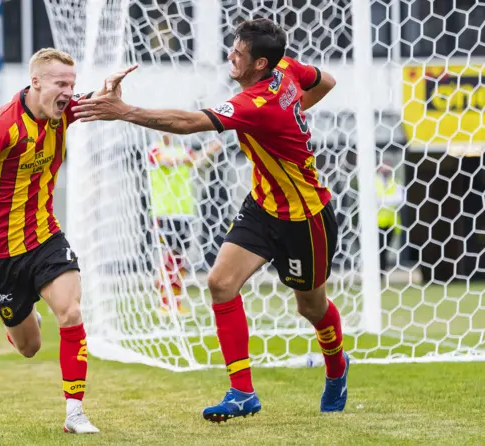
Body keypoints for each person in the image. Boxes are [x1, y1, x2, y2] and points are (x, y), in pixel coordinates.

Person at [73, 18, 347, 420]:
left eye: (239, 53)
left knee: (311, 307)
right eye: (233, 47)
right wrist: (295, 109)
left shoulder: (256, 104)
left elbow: (188, 124)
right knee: (219, 283)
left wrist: (124, 111)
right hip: (261, 205)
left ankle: (337, 369)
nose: (231, 56)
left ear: (260, 64)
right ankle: (241, 392)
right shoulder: (286, 67)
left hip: (305, 219)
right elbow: (326, 82)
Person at [0, 48, 136, 434]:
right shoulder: (0, 125)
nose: (68, 91)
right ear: (35, 82)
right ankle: (23, 318)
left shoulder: (62, 111)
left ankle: (75, 412)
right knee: (29, 347)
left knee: (70, 312)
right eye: (60, 84)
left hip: (45, 237)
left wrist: (106, 91)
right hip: (0, 252)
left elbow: (91, 104)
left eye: (71, 84)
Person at [148, 133, 221, 315]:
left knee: (179, 259)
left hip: (184, 212)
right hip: (164, 211)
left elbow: (197, 161)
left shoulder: (182, 150)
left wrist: (210, 151)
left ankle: (176, 301)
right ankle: (165, 302)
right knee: (167, 257)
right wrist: (193, 156)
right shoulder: (154, 149)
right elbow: (167, 161)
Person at [376, 158, 405, 277]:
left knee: (385, 250)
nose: (386, 168)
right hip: (376, 223)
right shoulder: (373, 181)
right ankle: (376, 275)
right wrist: (390, 200)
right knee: (377, 250)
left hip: (391, 223)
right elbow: (374, 200)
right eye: (384, 165)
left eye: (388, 165)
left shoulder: (394, 181)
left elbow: (400, 199)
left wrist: (384, 201)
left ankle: (382, 275)